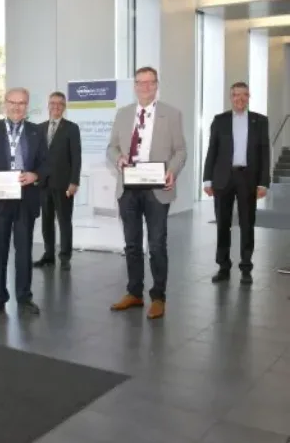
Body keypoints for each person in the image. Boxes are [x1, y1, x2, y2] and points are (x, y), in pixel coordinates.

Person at [107, 67, 186, 320]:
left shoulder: (171, 114)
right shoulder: (123, 114)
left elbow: (180, 150)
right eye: (140, 82)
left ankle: (158, 297)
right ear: (135, 86)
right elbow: (111, 147)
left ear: (156, 85)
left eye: (150, 82)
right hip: (128, 188)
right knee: (132, 244)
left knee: (156, 244)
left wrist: (172, 170)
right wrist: (118, 158)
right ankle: (134, 293)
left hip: (156, 189)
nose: (145, 87)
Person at [0, 87, 47, 317]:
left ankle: (24, 298)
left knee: (24, 251)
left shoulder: (37, 131)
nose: (16, 107)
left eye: (21, 103)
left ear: (27, 106)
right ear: (5, 104)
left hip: (26, 199)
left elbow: (46, 164)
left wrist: (36, 175)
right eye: (12, 102)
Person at [203, 82, 270, 285]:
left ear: (249, 97)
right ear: (230, 97)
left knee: (247, 224)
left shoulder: (260, 121)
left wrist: (263, 183)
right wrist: (207, 179)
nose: (240, 99)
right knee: (223, 224)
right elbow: (212, 150)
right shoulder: (220, 120)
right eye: (236, 95)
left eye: (244, 95)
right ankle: (223, 267)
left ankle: (246, 268)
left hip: (247, 178)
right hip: (223, 178)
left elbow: (265, 153)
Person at [33, 91, 81, 271]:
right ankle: (48, 255)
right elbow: (35, 157)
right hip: (43, 184)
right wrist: (35, 176)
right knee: (46, 222)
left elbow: (76, 157)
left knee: (64, 221)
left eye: (60, 103)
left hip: (64, 184)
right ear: (48, 105)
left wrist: (74, 182)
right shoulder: (39, 128)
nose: (56, 106)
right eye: (53, 103)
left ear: (64, 107)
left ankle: (65, 257)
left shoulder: (71, 128)